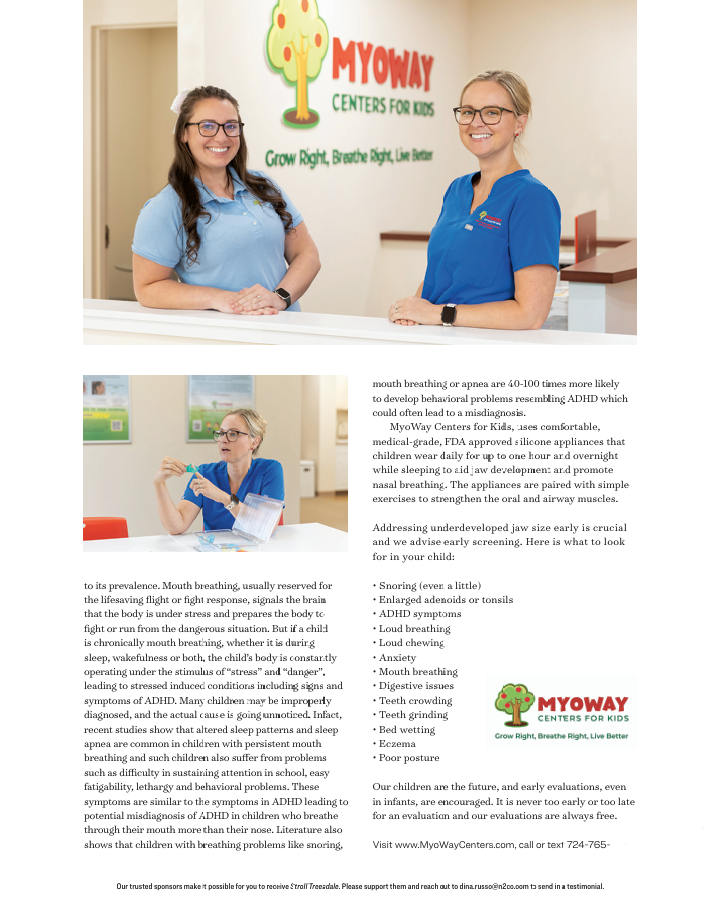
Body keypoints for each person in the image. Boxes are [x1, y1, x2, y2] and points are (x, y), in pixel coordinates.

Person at [389, 71, 560, 330]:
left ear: (519, 124)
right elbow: (439, 275)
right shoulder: (457, 189)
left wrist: (440, 314)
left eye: (492, 112)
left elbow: (531, 314)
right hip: (436, 341)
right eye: (468, 112)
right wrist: (413, 308)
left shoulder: (532, 199)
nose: (476, 122)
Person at [133, 85, 320, 315]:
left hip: (285, 332)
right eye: (207, 126)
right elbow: (147, 288)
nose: (221, 137)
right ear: (183, 133)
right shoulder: (165, 208)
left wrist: (279, 298)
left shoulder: (263, 185)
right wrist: (220, 299)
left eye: (231, 126)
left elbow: (307, 254)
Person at [153, 409, 284, 534]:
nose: (223, 439)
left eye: (233, 434)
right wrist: (159, 483)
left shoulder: (270, 470)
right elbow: (176, 526)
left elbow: (266, 527)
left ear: (254, 442)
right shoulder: (204, 473)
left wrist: (225, 498)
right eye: (221, 433)